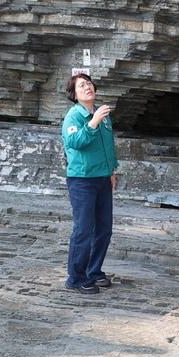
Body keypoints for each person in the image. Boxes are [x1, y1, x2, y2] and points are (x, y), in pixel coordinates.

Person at [60, 72, 118, 295]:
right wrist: (93, 123)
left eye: (89, 84)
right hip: (82, 180)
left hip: (103, 178)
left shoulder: (102, 114)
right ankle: (75, 278)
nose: (88, 88)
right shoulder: (74, 116)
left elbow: (109, 146)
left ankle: (93, 272)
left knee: (104, 229)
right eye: (81, 86)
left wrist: (112, 170)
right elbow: (75, 142)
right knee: (83, 229)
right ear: (74, 95)